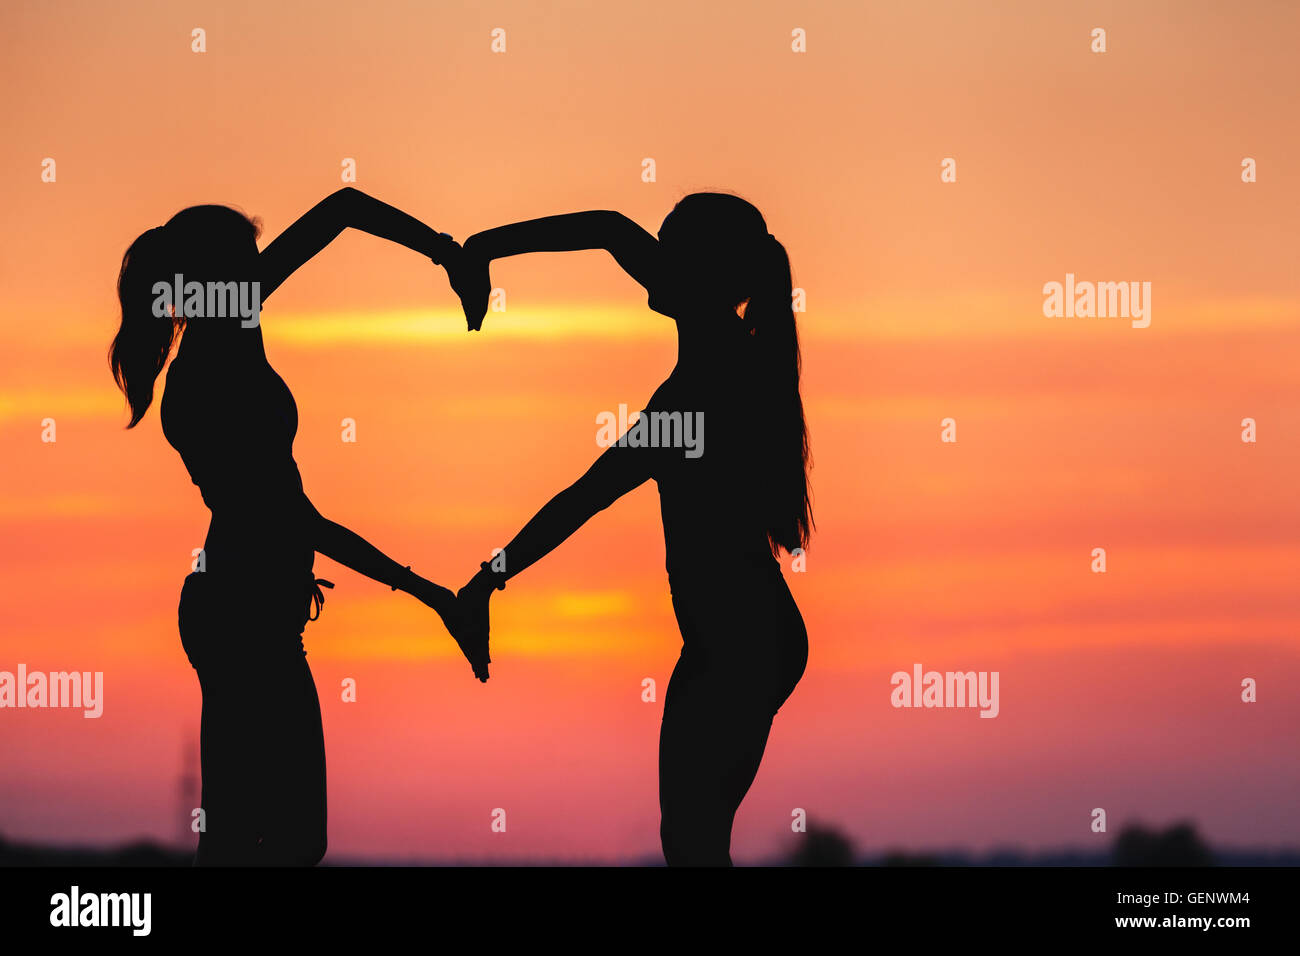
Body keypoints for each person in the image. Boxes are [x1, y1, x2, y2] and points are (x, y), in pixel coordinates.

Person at [109, 188, 485, 865]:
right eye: (249, 267)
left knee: (271, 839)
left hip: (256, 612)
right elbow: (297, 520)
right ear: (220, 280)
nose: (261, 279)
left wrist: (446, 254)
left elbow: (341, 212)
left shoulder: (227, 344)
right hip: (240, 614)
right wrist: (429, 594)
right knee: (260, 839)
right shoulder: (207, 371)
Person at [451, 193, 813, 865]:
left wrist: (485, 581)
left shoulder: (699, 394)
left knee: (693, 842)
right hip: (730, 640)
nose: (650, 261)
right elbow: (609, 230)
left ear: (698, 276)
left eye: (667, 250)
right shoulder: (718, 341)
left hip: (742, 644)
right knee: (692, 841)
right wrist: (482, 248)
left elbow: (581, 498)